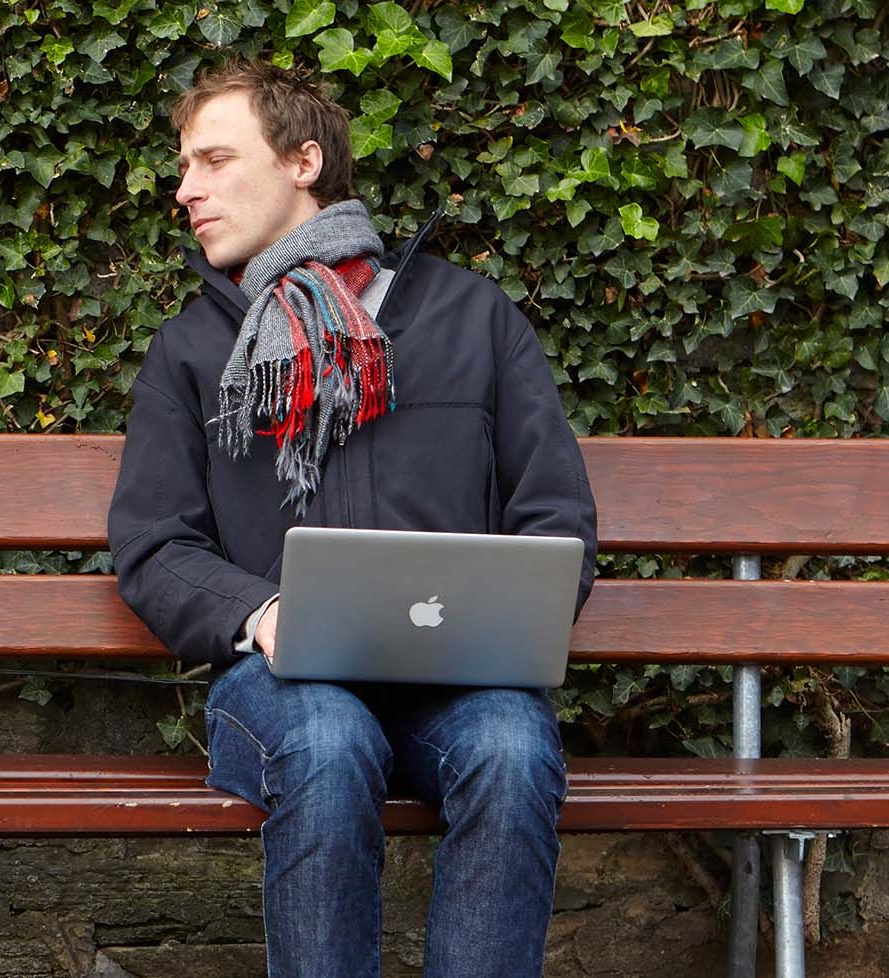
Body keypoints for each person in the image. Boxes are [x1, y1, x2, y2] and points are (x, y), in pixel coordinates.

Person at [107, 59, 599, 978]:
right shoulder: (191, 349)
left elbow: (554, 515)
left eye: (214, 161)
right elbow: (152, 542)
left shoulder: (472, 317)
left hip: (457, 687)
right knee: (329, 739)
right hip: (279, 688)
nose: (186, 191)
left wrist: (503, 621)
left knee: (512, 743)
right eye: (185, 167)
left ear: (302, 160)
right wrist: (262, 616)